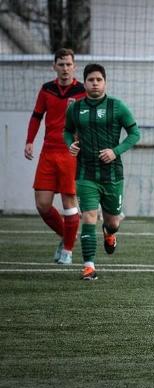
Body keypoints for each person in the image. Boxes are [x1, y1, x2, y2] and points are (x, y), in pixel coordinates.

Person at [63, 63, 140, 281]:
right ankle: (88, 266)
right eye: (91, 80)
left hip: (112, 175)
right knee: (88, 216)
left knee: (112, 222)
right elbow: (67, 131)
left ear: (105, 82)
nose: (95, 83)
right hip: (85, 173)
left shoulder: (117, 106)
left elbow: (135, 133)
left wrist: (115, 151)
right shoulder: (75, 109)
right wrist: (70, 144)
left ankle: (109, 233)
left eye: (99, 80)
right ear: (84, 83)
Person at [25, 48, 86, 264]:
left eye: (68, 64)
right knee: (42, 205)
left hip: (71, 152)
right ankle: (68, 236)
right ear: (54, 67)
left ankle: (67, 251)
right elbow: (36, 116)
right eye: (61, 64)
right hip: (48, 152)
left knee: (69, 202)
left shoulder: (82, 91)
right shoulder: (47, 89)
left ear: (74, 67)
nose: (65, 68)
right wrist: (29, 141)